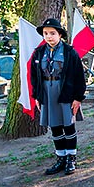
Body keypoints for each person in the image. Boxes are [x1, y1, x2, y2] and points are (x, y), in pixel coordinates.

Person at [30, 18, 86, 175]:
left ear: (60, 34)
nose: (49, 37)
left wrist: (78, 98)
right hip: (47, 93)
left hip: (65, 93)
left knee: (68, 126)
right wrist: (37, 96)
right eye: (46, 33)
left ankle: (71, 158)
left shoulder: (69, 52)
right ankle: (60, 158)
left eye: (52, 33)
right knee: (54, 127)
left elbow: (79, 77)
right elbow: (35, 76)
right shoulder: (39, 52)